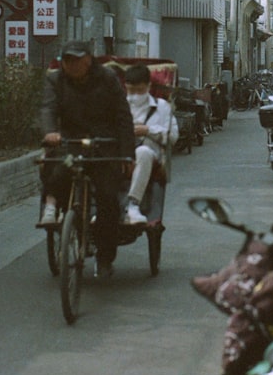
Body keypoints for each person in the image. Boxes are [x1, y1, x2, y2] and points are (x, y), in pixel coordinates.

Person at [38, 40, 135, 271]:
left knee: (108, 198)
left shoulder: (107, 78)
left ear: (88, 59)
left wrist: (127, 155)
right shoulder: (55, 80)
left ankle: (105, 256)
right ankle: (57, 209)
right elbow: (48, 108)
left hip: (104, 143)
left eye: (76, 59)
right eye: (67, 60)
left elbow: (123, 117)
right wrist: (50, 132)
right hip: (71, 141)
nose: (71, 65)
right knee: (57, 169)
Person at [122, 63, 179, 224]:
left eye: (139, 91)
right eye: (130, 90)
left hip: (151, 156)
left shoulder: (162, 107)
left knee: (143, 152)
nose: (134, 96)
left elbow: (172, 136)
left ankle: (133, 205)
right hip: (121, 154)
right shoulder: (120, 105)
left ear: (148, 86)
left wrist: (148, 130)